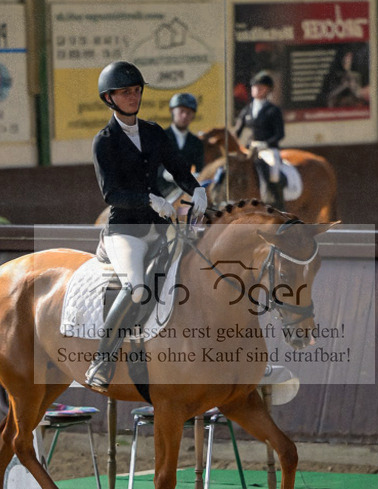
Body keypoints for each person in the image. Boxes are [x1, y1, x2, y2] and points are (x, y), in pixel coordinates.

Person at [85, 61, 208, 391]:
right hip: (126, 231)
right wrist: (149, 199)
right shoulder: (104, 141)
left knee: (194, 274)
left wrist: (196, 188)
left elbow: (178, 169)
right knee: (137, 288)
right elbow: (111, 194)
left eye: (137, 91)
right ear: (109, 98)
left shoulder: (154, 132)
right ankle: (102, 360)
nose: (133, 96)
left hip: (160, 226)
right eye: (125, 92)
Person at [233, 70, 285, 209]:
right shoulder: (247, 110)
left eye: (260, 87)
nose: (256, 89)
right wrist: (232, 145)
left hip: (268, 149)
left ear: (267, 90)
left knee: (273, 173)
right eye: (254, 87)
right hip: (250, 148)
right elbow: (237, 131)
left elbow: (280, 134)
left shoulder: (273, 110)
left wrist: (265, 143)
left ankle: (276, 201)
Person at [156, 92, 205, 197]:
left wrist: (197, 176)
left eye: (189, 113)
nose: (185, 116)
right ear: (172, 111)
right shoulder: (159, 137)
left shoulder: (196, 142)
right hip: (161, 192)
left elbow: (200, 168)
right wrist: (165, 172)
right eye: (181, 111)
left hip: (185, 193)